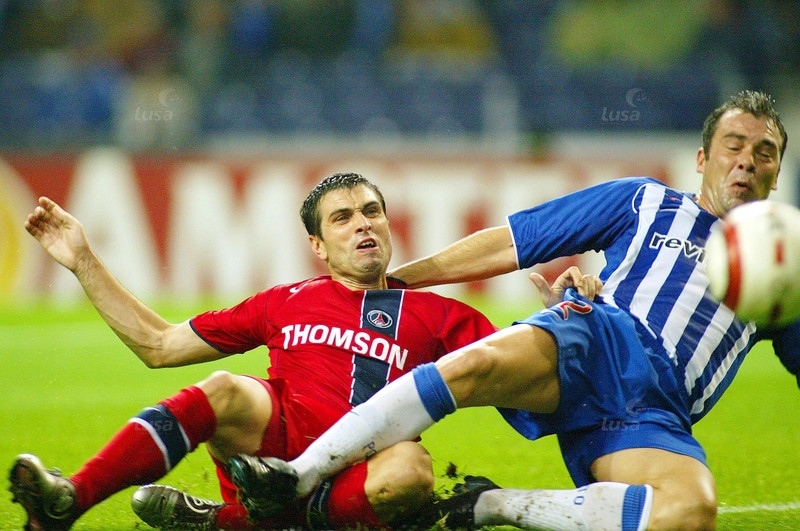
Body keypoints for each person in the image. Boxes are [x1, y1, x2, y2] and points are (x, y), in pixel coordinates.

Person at [226, 90, 799, 531]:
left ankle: (490, 505)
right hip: (601, 338)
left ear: (777, 173)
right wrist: (395, 284)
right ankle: (296, 476)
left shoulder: (788, 275)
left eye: (764, 152)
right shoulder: (646, 201)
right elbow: (512, 242)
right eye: (734, 145)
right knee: (473, 366)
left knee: (690, 513)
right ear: (702, 157)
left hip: (656, 413)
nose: (746, 162)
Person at [11, 172, 533, 531]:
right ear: (318, 246)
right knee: (224, 390)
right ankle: (71, 498)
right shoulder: (285, 301)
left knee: (413, 471)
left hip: (366, 469)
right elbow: (160, 345)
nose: (363, 224)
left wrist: (563, 318)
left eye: (372, 211)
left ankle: (228, 523)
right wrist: (83, 262)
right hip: (271, 457)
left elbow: (522, 369)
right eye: (343, 217)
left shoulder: (440, 314)